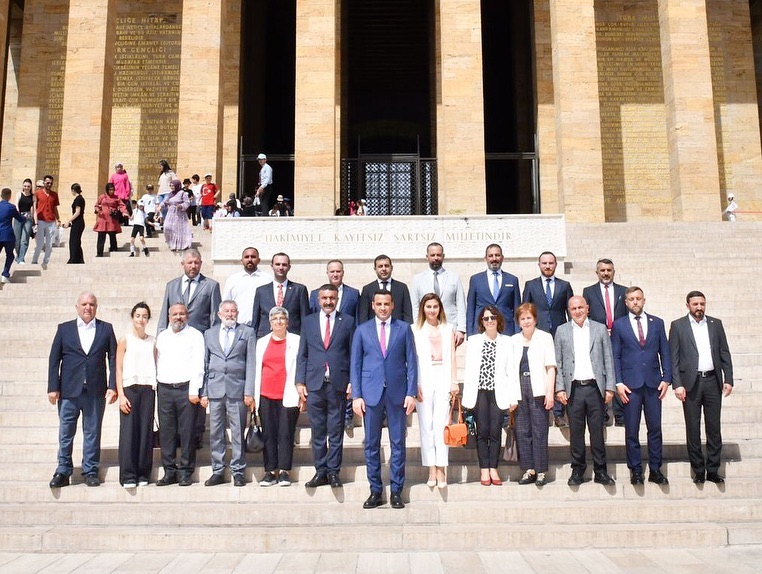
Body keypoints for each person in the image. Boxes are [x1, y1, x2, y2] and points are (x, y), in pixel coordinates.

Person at [351, 290, 418, 509]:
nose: (382, 307)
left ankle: (396, 490)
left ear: (392, 306)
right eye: (378, 303)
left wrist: (410, 393)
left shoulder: (404, 329)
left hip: (397, 394)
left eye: (386, 304)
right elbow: (356, 365)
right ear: (372, 305)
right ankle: (375, 490)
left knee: (398, 443)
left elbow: (412, 362)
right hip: (370, 394)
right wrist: (357, 396)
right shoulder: (362, 330)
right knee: (371, 444)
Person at [47, 292, 117, 488]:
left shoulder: (106, 329)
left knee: (92, 432)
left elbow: (113, 359)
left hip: (95, 391)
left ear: (96, 307)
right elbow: (54, 360)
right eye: (84, 304)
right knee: (66, 432)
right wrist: (53, 387)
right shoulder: (64, 329)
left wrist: (112, 386)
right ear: (77, 306)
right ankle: (63, 470)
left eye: (92, 304)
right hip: (69, 391)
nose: (88, 307)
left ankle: (90, 470)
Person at [158, 247, 221, 448]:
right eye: (189, 262)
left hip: (198, 344)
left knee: (197, 386)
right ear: (182, 264)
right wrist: (160, 342)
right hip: (174, 345)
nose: (193, 266)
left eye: (196, 262)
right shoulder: (172, 286)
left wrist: (212, 346)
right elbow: (163, 317)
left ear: (201, 264)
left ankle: (196, 433)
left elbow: (214, 319)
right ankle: (175, 434)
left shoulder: (211, 286)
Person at [669, 290, 733, 484]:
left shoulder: (715, 324)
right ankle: (698, 469)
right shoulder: (678, 326)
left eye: (702, 304)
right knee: (693, 428)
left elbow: (724, 352)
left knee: (714, 428)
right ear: (687, 305)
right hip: (691, 384)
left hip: (713, 381)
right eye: (695, 304)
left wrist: (728, 378)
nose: (699, 307)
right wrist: (677, 384)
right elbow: (674, 358)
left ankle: (713, 469)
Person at [611, 287, 671, 486]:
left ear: (644, 300)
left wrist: (666, 378)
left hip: (654, 384)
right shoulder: (619, 325)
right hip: (630, 386)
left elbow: (665, 352)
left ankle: (655, 469)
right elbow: (616, 356)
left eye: (638, 298)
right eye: (631, 299)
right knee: (631, 430)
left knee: (655, 429)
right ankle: (635, 470)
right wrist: (618, 382)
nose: (635, 302)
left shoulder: (657, 323)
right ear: (626, 303)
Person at [296, 284, 355, 489]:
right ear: (318, 300)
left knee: (336, 431)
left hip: (338, 385)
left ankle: (333, 472)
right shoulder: (309, 322)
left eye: (332, 298)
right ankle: (320, 471)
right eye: (324, 298)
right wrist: (299, 381)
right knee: (318, 431)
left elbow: (352, 354)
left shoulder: (347, 321)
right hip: (314, 384)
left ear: (337, 299)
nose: (328, 301)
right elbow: (302, 353)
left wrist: (352, 382)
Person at [554, 296, 616, 486]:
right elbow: (558, 362)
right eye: (573, 308)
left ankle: (600, 471)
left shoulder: (599, 329)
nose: (578, 311)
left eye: (581, 307)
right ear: (569, 310)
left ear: (587, 308)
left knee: (597, 432)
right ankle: (578, 470)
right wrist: (560, 387)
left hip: (595, 388)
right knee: (576, 432)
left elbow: (608, 359)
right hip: (574, 389)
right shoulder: (562, 331)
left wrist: (610, 387)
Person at [200, 300, 257, 487]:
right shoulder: (209, 334)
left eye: (233, 311)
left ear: (238, 313)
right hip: (215, 389)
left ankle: (238, 470)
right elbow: (205, 364)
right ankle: (217, 470)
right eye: (227, 311)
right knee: (216, 432)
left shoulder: (247, 332)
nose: (230, 314)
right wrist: (204, 392)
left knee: (237, 432)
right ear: (219, 314)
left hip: (237, 390)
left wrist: (249, 391)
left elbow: (251, 363)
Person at [462, 306, 515, 487]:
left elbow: (511, 371)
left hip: (499, 392)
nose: (490, 321)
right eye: (486, 318)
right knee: (482, 431)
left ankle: (494, 468)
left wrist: (513, 398)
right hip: (479, 392)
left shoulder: (507, 342)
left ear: (498, 320)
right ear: (481, 322)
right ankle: (484, 468)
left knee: (495, 432)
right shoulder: (474, 341)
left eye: (493, 317)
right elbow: (469, 370)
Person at [521, 251, 574, 427]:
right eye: (544, 263)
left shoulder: (564, 285)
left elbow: (570, 311)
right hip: (538, 334)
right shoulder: (531, 285)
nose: (548, 266)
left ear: (556, 265)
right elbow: (525, 310)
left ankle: (559, 413)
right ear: (539, 265)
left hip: (559, 333)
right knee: (539, 371)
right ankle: (541, 408)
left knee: (557, 370)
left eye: (551, 263)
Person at [155, 303, 205, 486]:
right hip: (165, 389)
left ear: (187, 316)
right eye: (175, 314)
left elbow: (199, 364)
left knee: (187, 432)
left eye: (182, 314)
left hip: (186, 390)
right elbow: (157, 362)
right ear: (169, 317)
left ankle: (185, 471)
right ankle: (169, 471)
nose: (178, 317)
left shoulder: (195, 335)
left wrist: (194, 390)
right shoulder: (162, 337)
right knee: (166, 432)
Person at [413, 293, 459, 488]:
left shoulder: (448, 329)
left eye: (435, 306)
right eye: (428, 306)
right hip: (424, 380)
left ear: (440, 308)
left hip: (443, 378)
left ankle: (442, 469)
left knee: (441, 425)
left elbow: (452, 357)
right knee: (426, 425)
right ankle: (431, 468)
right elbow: (412, 360)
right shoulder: (415, 329)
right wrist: (415, 384)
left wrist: (454, 381)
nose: (432, 310)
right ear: (423, 309)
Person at [509, 303, 557, 487]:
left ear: (535, 319)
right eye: (523, 318)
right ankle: (529, 469)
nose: (526, 321)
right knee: (522, 430)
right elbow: (508, 369)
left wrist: (549, 392)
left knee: (539, 430)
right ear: (518, 322)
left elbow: (550, 367)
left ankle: (541, 470)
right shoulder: (513, 340)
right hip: (519, 387)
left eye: (529, 318)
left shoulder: (545, 338)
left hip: (538, 387)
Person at [254, 306, 302, 486]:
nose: (279, 321)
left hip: (287, 394)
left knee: (286, 434)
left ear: (287, 322)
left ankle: (283, 471)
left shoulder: (296, 341)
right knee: (269, 434)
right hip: (266, 394)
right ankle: (269, 471)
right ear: (270, 322)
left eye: (282, 318)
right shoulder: (261, 342)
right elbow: (257, 368)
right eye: (275, 319)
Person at [582, 257, 628, 427]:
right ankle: (603, 414)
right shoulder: (589, 291)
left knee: (617, 372)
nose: (606, 273)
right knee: (600, 373)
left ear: (614, 272)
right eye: (602, 270)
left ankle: (620, 414)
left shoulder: (624, 291)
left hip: (619, 336)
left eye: (609, 270)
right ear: (597, 273)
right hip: (598, 336)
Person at [115, 302, 156, 488]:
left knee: (145, 433)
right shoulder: (125, 339)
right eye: (138, 315)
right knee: (129, 433)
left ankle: (143, 474)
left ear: (148, 319)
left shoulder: (153, 341)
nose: (141, 319)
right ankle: (128, 475)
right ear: (133, 317)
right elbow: (118, 367)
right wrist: (121, 395)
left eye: (145, 316)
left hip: (148, 389)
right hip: (130, 389)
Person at [411, 242, 467, 347]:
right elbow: (415, 306)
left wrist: (461, 329)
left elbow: (461, 305)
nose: (436, 258)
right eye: (432, 255)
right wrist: (417, 328)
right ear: (427, 257)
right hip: (425, 329)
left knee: (449, 360)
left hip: (450, 328)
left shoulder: (454, 277)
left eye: (438, 255)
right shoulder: (417, 279)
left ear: (443, 256)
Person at [466, 243, 521, 337]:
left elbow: (517, 309)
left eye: (497, 255)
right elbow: (471, 308)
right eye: (490, 256)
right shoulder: (476, 280)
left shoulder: (512, 280)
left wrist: (517, 333)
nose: (494, 259)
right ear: (486, 258)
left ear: (502, 257)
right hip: (482, 329)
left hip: (506, 330)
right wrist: (470, 334)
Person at [251, 252, 310, 338]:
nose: (281, 267)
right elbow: (255, 321)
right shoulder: (261, 291)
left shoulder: (300, 290)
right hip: (266, 338)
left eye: (284, 265)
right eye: (277, 264)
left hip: (292, 339)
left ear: (289, 267)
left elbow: (305, 319)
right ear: (272, 266)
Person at [222, 246, 274, 326]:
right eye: (246, 257)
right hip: (238, 326)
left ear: (259, 260)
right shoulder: (232, 279)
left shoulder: (268, 279)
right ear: (241, 260)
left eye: (253, 257)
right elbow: (226, 304)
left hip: (261, 327)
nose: (249, 259)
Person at [357, 254, 414, 324]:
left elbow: (407, 314)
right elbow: (363, 316)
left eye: (386, 266)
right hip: (374, 332)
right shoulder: (367, 289)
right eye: (380, 266)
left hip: (397, 330)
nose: (384, 269)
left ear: (391, 268)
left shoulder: (402, 288)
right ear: (375, 269)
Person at [32, 175, 61, 269]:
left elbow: (55, 208)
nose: (49, 184)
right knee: (40, 243)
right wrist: (34, 220)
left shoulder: (54, 194)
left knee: (49, 244)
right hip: (40, 220)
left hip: (51, 221)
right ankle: (34, 260)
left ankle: (45, 261)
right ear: (44, 183)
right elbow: (34, 207)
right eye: (48, 183)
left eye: (51, 183)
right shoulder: (37, 193)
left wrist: (58, 219)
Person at [0, 187, 25, 283]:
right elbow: (20, 218)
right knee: (10, 255)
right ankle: (5, 274)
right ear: (9, 196)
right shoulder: (11, 207)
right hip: (7, 235)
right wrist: (26, 217)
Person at [93, 182, 124, 257]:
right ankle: (99, 253)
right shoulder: (102, 197)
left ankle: (113, 249)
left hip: (111, 219)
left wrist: (124, 212)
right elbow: (96, 205)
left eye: (113, 190)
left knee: (112, 235)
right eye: (110, 190)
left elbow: (122, 205)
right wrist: (98, 210)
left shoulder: (116, 197)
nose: (111, 191)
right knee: (101, 236)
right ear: (107, 190)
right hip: (102, 219)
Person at [160, 179, 192, 253]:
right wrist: (160, 207)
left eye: (173, 185)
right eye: (170, 185)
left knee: (179, 230)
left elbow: (187, 202)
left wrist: (181, 205)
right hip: (171, 214)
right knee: (166, 227)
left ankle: (180, 245)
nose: (171, 187)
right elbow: (165, 201)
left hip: (180, 214)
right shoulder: (170, 194)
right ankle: (171, 243)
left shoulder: (183, 193)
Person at [12, 178, 35, 264]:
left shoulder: (33, 197)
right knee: (17, 240)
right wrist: (18, 213)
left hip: (28, 218)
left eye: (28, 186)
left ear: (31, 186)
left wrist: (34, 221)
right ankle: (18, 256)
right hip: (18, 217)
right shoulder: (19, 194)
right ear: (23, 186)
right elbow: (16, 204)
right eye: (25, 186)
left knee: (24, 240)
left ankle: (21, 258)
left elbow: (34, 210)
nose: (26, 188)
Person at [62, 183, 85, 264]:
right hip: (78, 222)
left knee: (74, 241)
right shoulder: (80, 198)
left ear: (73, 190)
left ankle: (74, 259)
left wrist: (68, 221)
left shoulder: (78, 199)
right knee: (76, 241)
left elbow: (77, 212)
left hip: (78, 222)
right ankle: (79, 259)